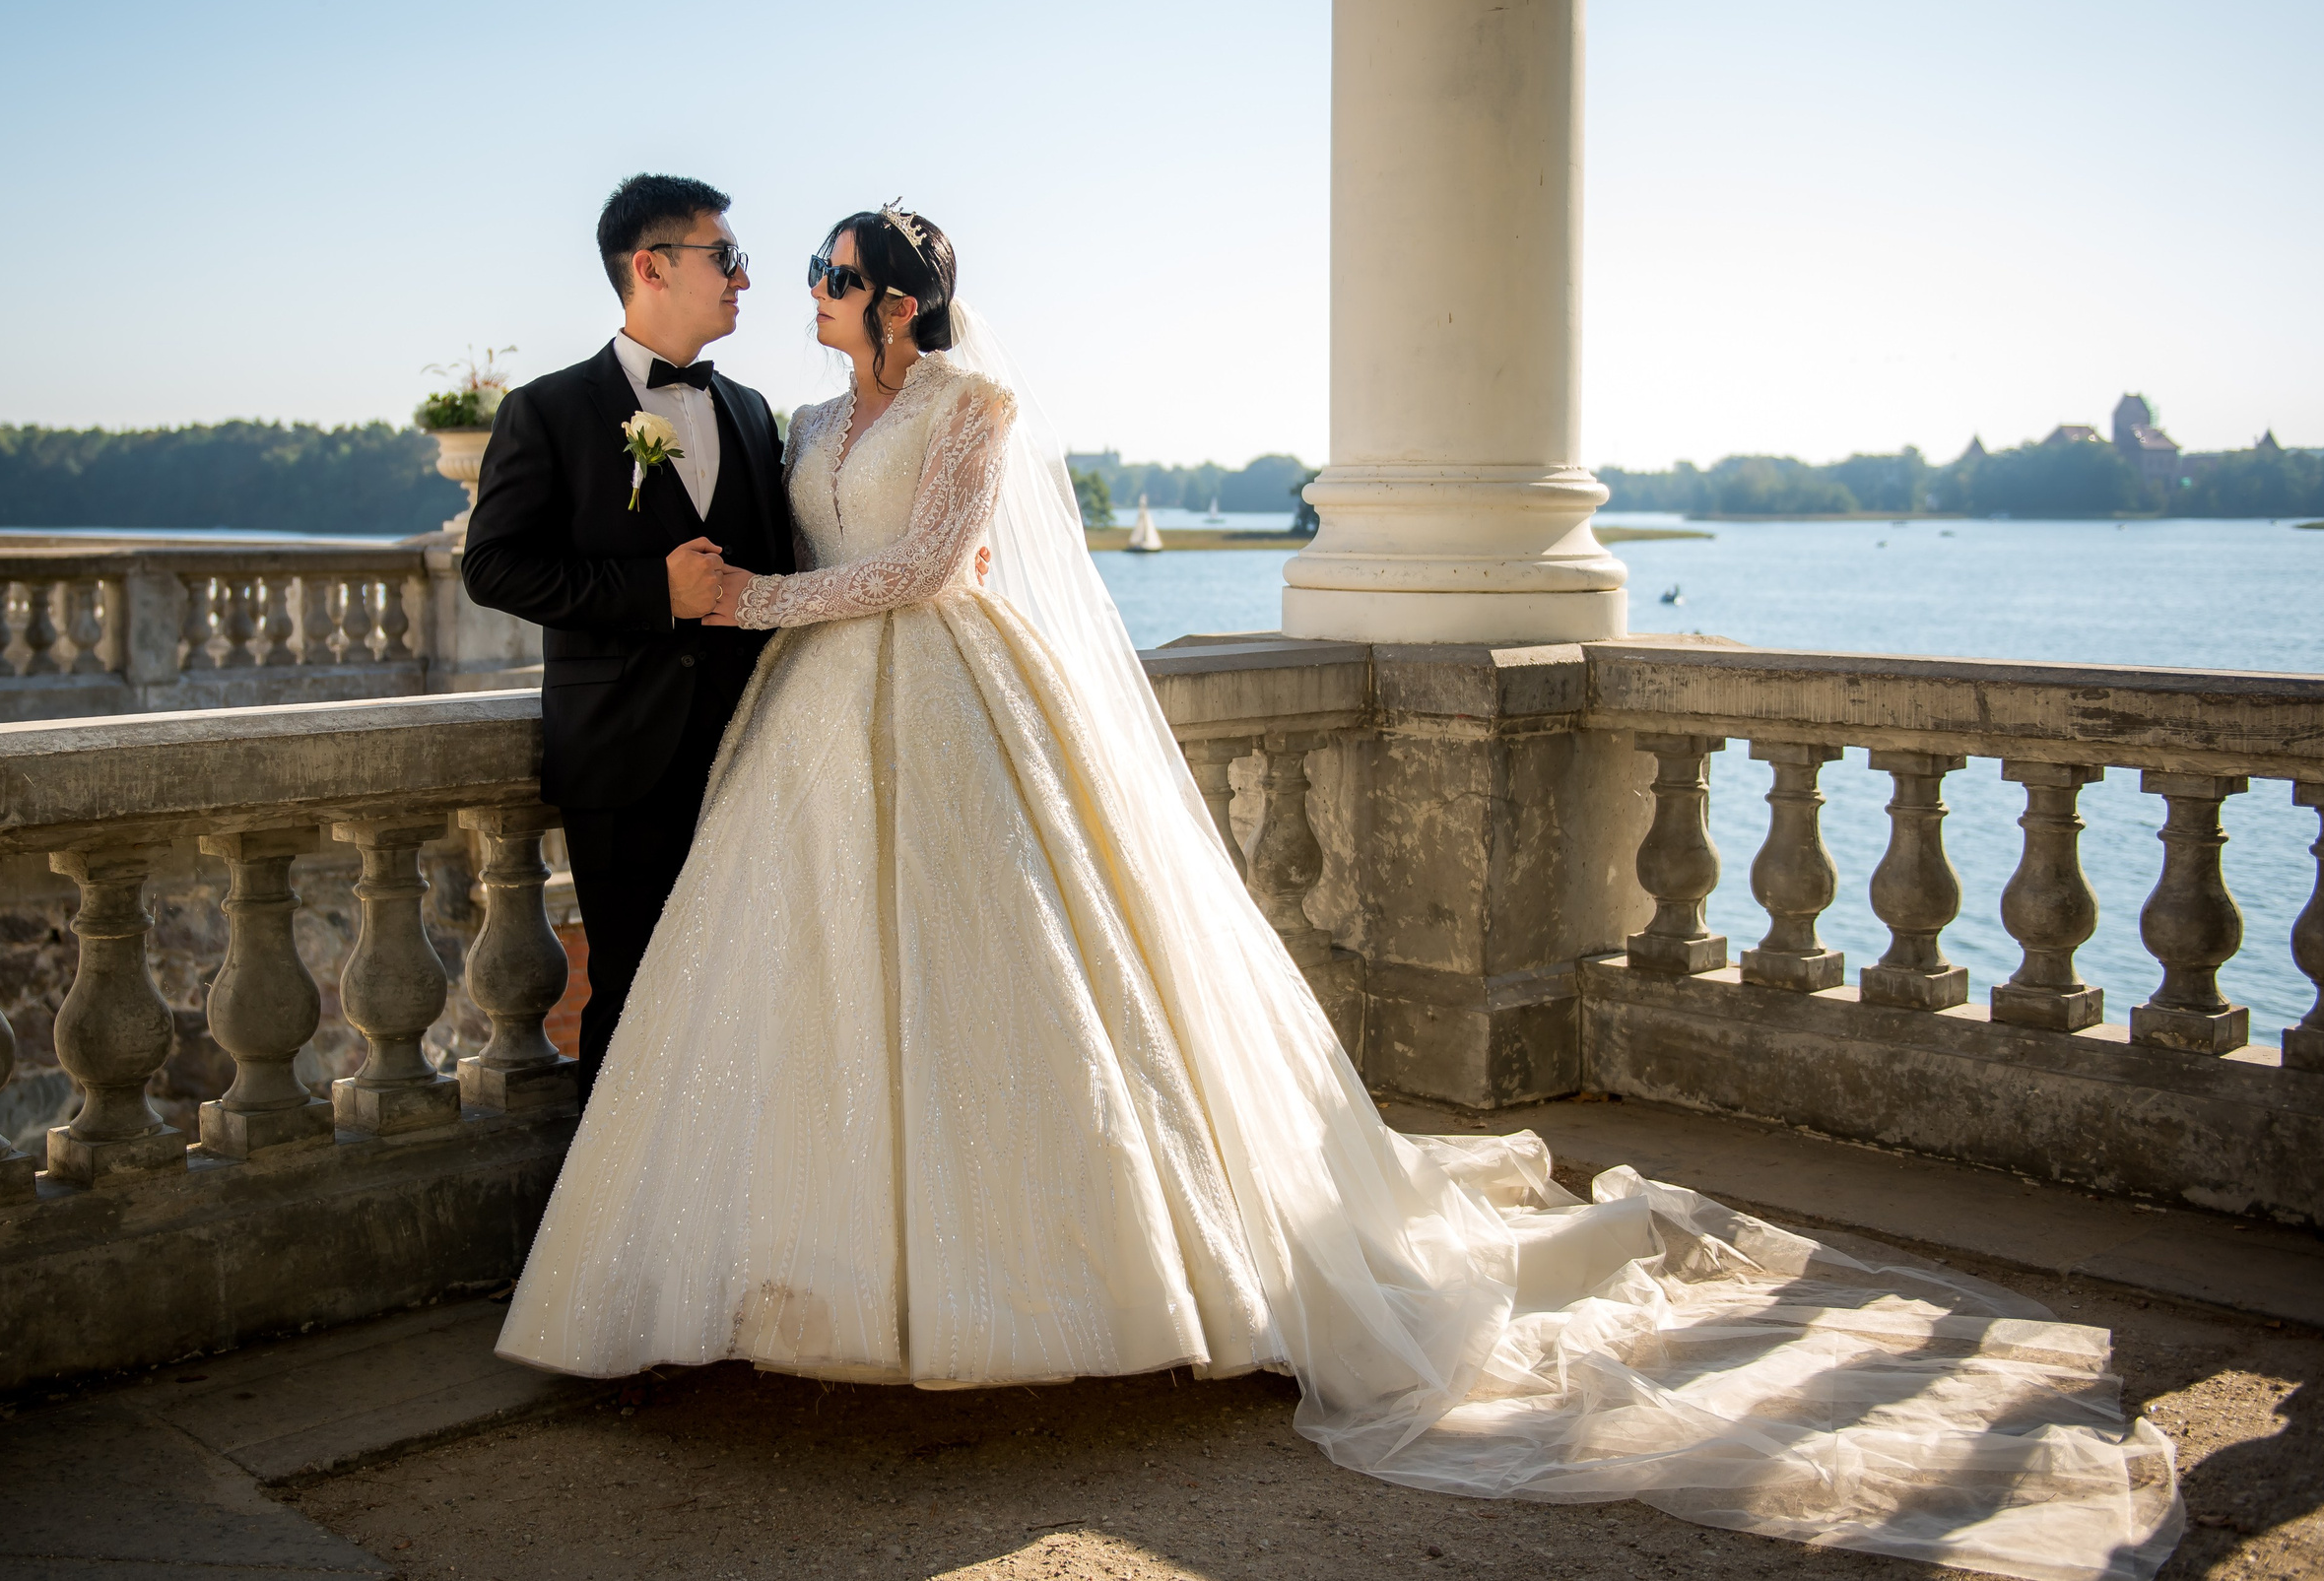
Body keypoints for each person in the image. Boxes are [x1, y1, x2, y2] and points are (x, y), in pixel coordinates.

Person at [498, 203, 2182, 1581]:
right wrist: (730, 604)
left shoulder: (975, 412)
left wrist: (749, 612)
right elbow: (758, 545)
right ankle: (782, 1282)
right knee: (803, 985)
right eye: (785, 271)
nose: (797, 286)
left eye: (824, 274)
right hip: (809, 727)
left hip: (946, 695)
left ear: (897, 298)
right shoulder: (792, 418)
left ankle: (1066, 1291)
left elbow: (933, 569)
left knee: (1011, 978)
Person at [460, 173, 795, 1101]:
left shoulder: (754, 412)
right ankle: (614, 1239)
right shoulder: (550, 411)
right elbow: (492, 566)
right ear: (649, 266)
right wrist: (655, 590)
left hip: (753, 749)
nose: (743, 279)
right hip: (621, 758)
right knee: (634, 996)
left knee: (754, 997)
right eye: (724, 257)